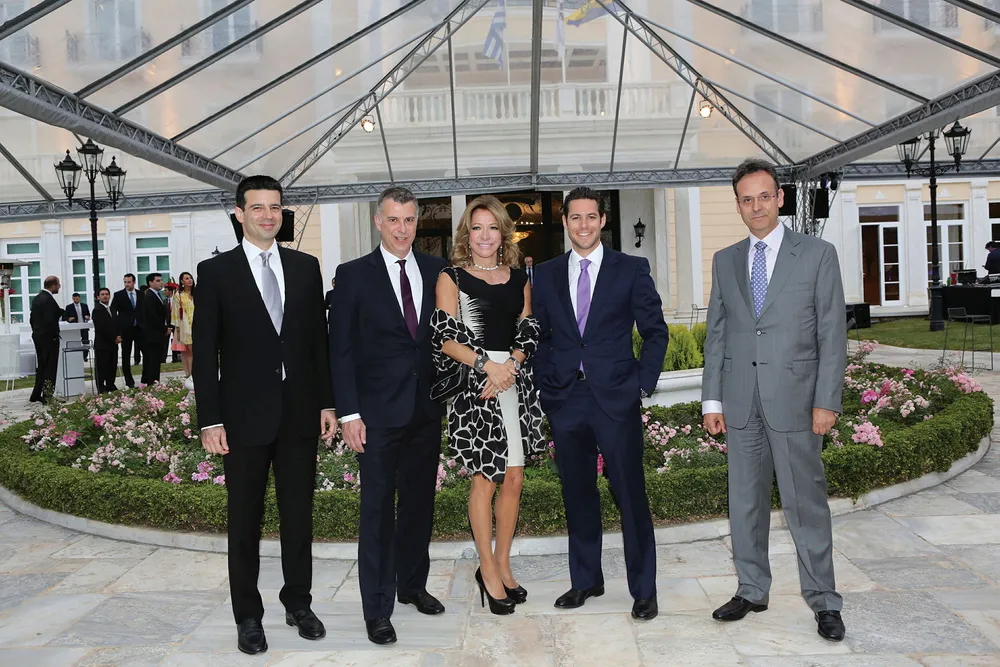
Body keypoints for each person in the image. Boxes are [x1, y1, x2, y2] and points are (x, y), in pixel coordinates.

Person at [701, 158, 847, 642]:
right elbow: (717, 335)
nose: (757, 206)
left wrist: (826, 401)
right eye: (747, 199)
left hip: (797, 402)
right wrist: (712, 401)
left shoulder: (818, 254)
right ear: (738, 205)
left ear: (780, 198)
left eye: (765, 196)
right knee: (744, 502)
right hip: (741, 402)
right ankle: (751, 588)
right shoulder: (725, 260)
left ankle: (824, 600)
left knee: (806, 505)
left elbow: (832, 333)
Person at [193, 175, 335, 656]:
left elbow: (318, 343)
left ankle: (299, 604)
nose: (268, 216)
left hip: (298, 415)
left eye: (275, 207)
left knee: (298, 518)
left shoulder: (305, 267)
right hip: (242, 419)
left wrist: (327, 402)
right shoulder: (215, 273)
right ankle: (248, 617)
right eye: (257, 208)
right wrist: (210, 420)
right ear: (240, 214)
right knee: (244, 522)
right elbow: (205, 354)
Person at [532, 187, 667, 622]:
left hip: (616, 399)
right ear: (565, 221)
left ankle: (643, 590)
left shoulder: (631, 268)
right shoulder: (546, 274)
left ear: (603, 220)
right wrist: (546, 383)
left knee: (630, 493)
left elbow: (655, 331)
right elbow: (540, 336)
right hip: (566, 398)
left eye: (591, 217)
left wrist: (641, 384)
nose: (584, 225)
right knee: (577, 494)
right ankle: (586, 580)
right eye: (575, 217)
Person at [329, 186, 448, 646]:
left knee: (419, 503)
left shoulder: (436, 270)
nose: (402, 229)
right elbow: (340, 350)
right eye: (394, 220)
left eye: (410, 220)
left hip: (425, 408)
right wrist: (349, 412)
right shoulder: (353, 275)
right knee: (377, 511)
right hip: (376, 415)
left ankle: (412, 585)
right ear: (378, 222)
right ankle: (377, 609)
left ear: (417, 222)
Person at [432, 196, 545, 615]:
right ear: (467, 233)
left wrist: (510, 366)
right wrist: (488, 368)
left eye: (492, 227)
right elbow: (444, 338)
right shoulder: (451, 277)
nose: (484, 236)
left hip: (513, 383)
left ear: (504, 234)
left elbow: (528, 328)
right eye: (477, 227)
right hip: (476, 385)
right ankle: (486, 568)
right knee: (486, 479)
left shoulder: (519, 278)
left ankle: (502, 563)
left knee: (514, 477)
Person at [29, 276, 63, 403]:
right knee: (50, 367)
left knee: (42, 366)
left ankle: (36, 394)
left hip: (38, 336)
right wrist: (54, 335)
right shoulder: (48, 299)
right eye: (58, 285)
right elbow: (50, 319)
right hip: (48, 338)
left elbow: (32, 318)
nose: (59, 287)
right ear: (53, 286)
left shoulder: (37, 298)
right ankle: (48, 395)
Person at [110, 274, 141, 388]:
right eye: (125, 282)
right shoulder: (119, 295)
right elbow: (113, 310)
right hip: (125, 329)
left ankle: (146, 378)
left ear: (134, 282)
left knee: (146, 352)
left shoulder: (141, 294)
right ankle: (129, 381)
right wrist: (117, 326)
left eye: (129, 282)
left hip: (139, 328)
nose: (127, 284)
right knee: (126, 354)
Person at [140, 273, 168, 385]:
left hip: (156, 334)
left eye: (161, 280)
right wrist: (164, 328)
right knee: (153, 360)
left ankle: (154, 381)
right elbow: (153, 317)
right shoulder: (150, 296)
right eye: (158, 280)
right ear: (150, 283)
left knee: (156, 360)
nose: (161, 282)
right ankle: (152, 383)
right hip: (153, 335)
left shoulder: (156, 295)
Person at [92, 287, 121, 394]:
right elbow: (101, 327)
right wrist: (114, 337)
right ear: (98, 297)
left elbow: (116, 324)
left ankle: (110, 384)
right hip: (102, 344)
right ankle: (101, 387)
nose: (105, 296)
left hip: (113, 344)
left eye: (107, 294)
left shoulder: (112, 309)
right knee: (101, 367)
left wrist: (119, 335)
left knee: (112, 366)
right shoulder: (97, 310)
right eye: (102, 294)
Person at [171, 272, 195, 378]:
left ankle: (192, 374)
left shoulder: (196, 293)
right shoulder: (179, 295)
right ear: (182, 281)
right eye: (187, 278)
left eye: (190, 278)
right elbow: (175, 313)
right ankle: (190, 374)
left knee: (195, 352)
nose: (190, 280)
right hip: (185, 327)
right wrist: (178, 329)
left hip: (197, 326)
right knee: (190, 352)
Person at [62, 292, 90, 361]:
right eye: (74, 299)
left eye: (77, 299)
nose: (76, 300)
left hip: (83, 327)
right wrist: (69, 319)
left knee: (85, 342)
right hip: (74, 328)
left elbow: (88, 314)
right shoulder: (69, 307)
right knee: (75, 341)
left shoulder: (84, 306)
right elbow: (65, 317)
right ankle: (75, 357)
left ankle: (85, 356)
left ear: (79, 298)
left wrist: (87, 317)